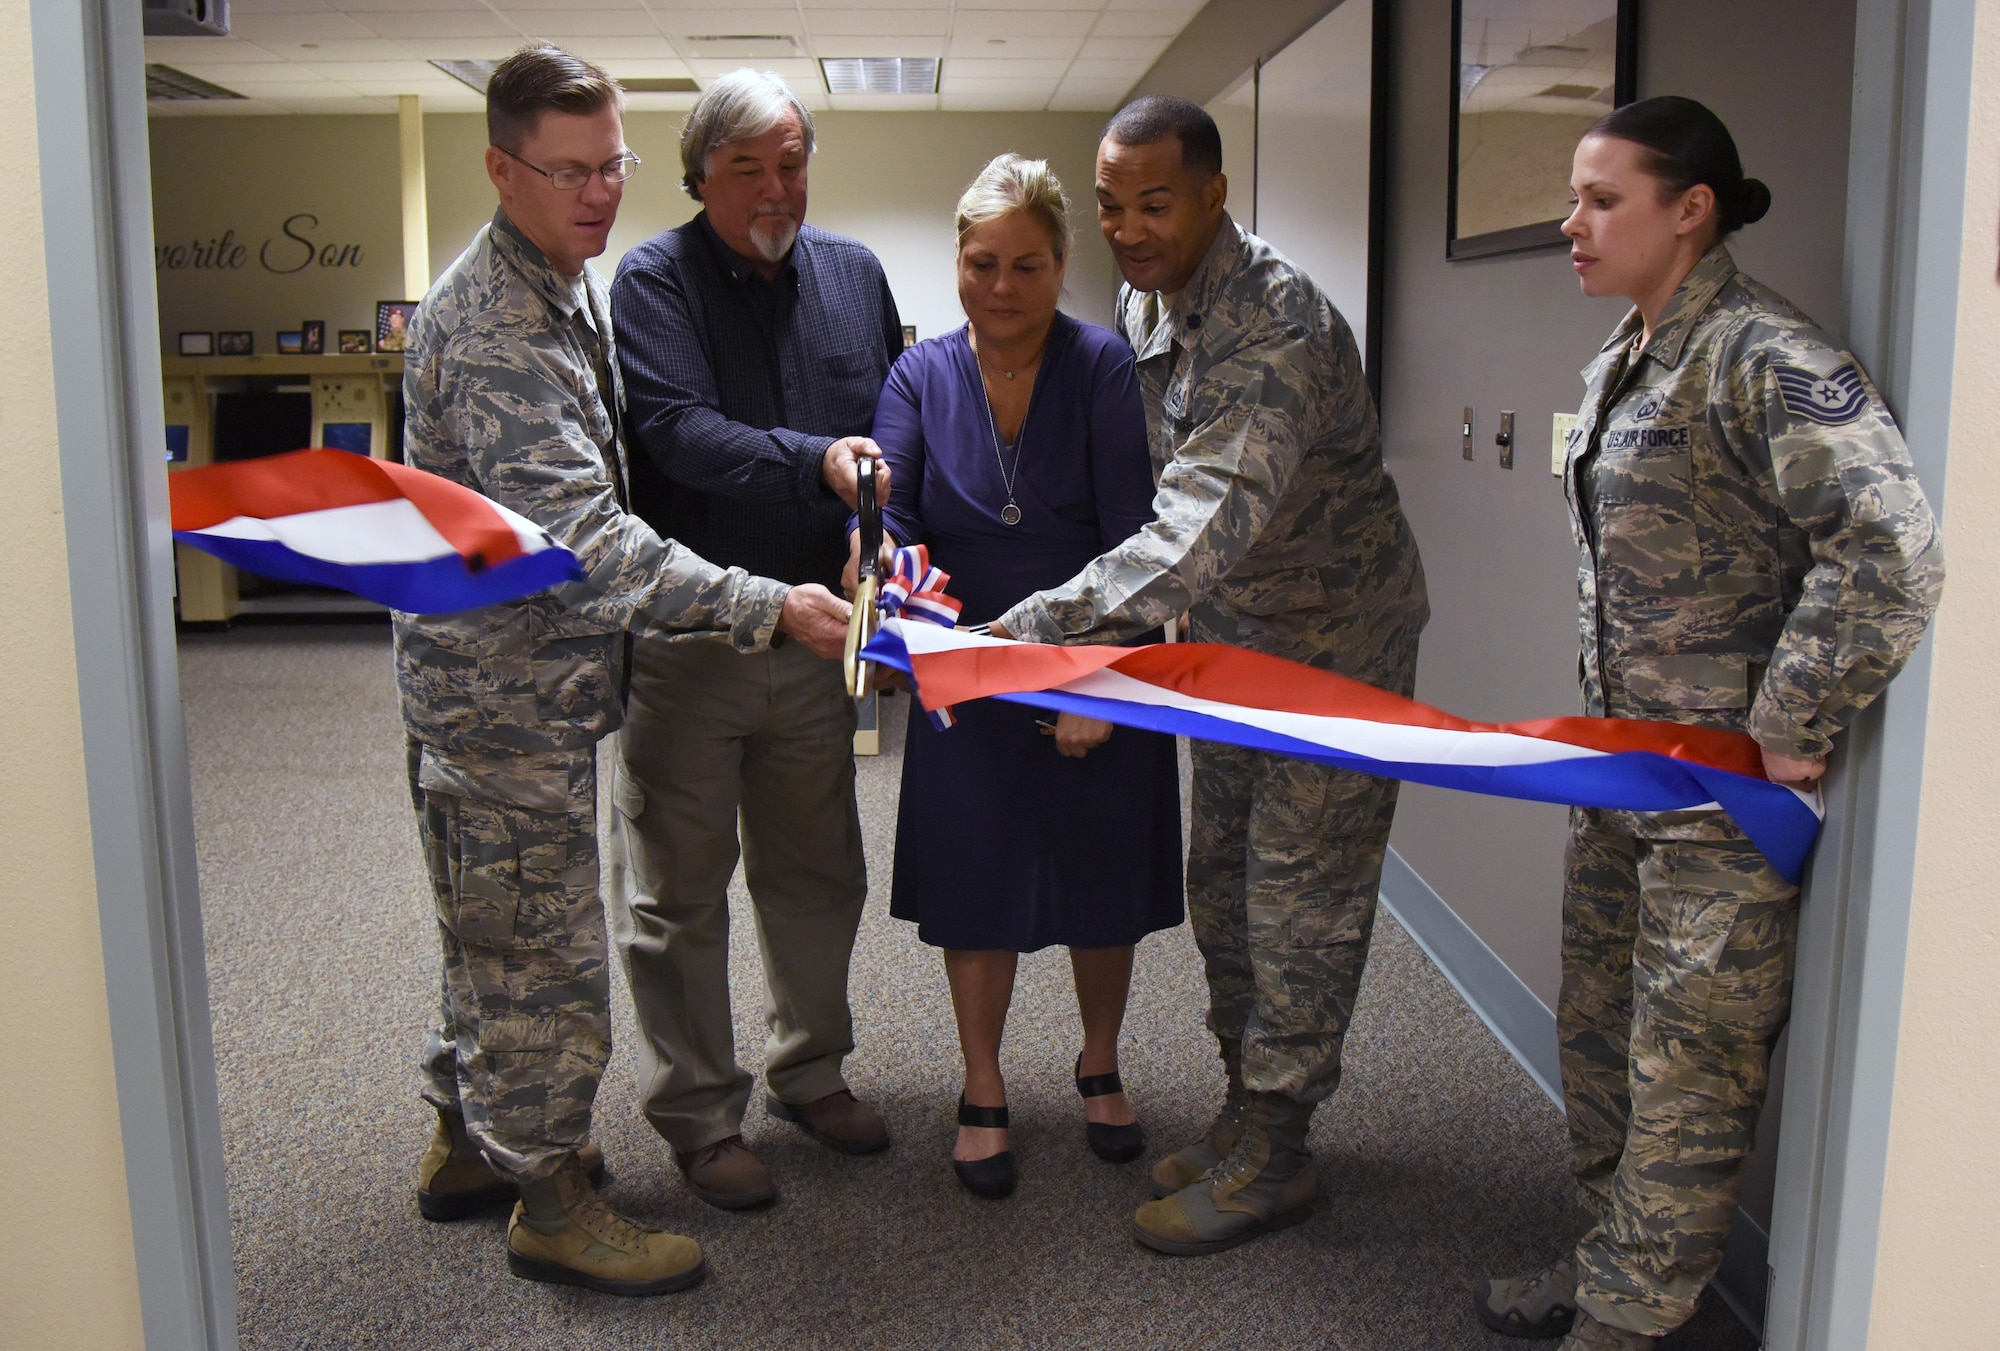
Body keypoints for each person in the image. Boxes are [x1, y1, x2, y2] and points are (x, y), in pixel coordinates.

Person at [1473, 98, 1944, 1351]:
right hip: (1626, 781)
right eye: (1571, 197)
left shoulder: (1761, 353)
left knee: (1686, 1077)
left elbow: (1890, 550)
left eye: (1598, 200)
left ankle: (1629, 1324)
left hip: (1719, 808)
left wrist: (1790, 720)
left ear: (1689, 210)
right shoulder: (1632, 355)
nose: (1569, 224)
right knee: (1601, 1043)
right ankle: (1602, 1262)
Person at [396, 46, 850, 1296]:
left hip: (514, 688)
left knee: (485, 930)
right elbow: (591, 541)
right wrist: (771, 605)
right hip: (501, 704)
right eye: (568, 170)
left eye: (612, 166)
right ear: (501, 168)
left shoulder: (551, 279)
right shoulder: (492, 329)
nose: (599, 193)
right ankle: (549, 1194)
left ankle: (464, 1137)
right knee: (540, 950)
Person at [987, 96, 1429, 1254]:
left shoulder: (1272, 321)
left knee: (1297, 904)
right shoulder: (1151, 301)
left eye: (1154, 202)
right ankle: (1244, 1113)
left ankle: (1280, 1155)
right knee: (1225, 886)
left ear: (1212, 195)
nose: (1128, 227)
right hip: (1231, 650)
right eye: (1110, 204)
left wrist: (1026, 632)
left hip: (1330, 657)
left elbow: (1191, 527)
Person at [857, 154, 1183, 1201]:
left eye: (1027, 265)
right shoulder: (917, 375)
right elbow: (893, 519)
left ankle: (1098, 1059)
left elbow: (1138, 534)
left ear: (1060, 265)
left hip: (1092, 647)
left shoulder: (1099, 367)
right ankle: (982, 1079)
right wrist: (901, 617)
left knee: (1102, 870)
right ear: (956, 259)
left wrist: (1094, 681)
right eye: (982, 262)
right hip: (968, 655)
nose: (1002, 286)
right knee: (976, 877)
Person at [606, 69, 901, 1211]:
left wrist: (872, 540)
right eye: (747, 169)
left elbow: (883, 426)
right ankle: (697, 1113)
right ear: (698, 177)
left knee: (817, 872)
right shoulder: (653, 281)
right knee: (677, 891)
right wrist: (813, 459)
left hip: (818, 639)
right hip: (690, 640)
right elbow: (677, 435)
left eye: (790, 163)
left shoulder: (852, 276)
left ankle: (809, 1071)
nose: (776, 188)